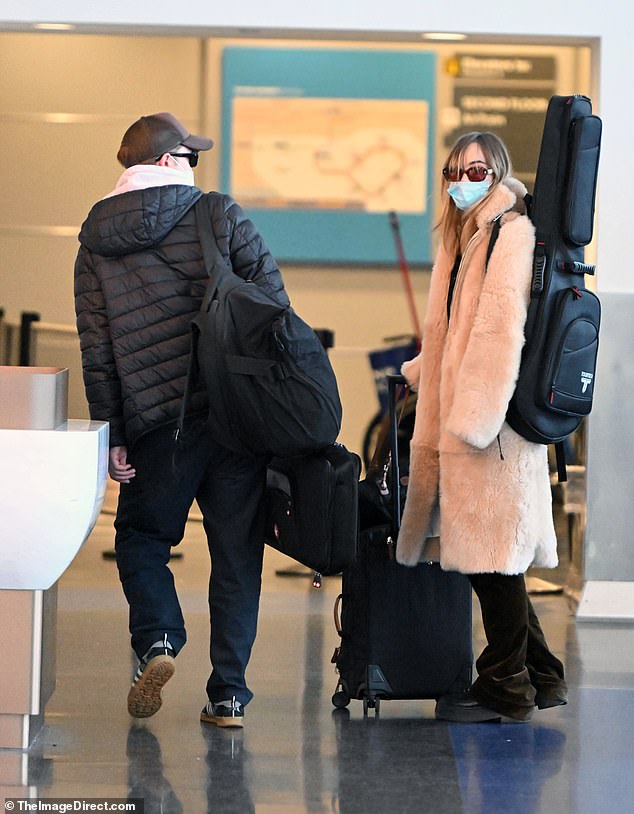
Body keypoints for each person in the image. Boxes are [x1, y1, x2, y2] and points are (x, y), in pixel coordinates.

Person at [74, 112, 289, 728]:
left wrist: (112, 430)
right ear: (168, 161)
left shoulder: (94, 239)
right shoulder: (218, 214)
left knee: (142, 540)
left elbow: (97, 345)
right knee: (235, 554)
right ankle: (227, 694)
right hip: (236, 420)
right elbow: (276, 308)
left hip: (156, 426)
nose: (197, 165)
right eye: (190, 155)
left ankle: (160, 638)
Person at [396, 132, 567, 723]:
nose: (462, 179)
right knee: (493, 560)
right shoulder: (466, 238)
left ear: (499, 172)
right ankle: (542, 676)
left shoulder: (510, 235)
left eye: (476, 169)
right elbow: (448, 331)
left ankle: (505, 688)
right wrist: (420, 375)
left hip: (488, 428)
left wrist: (473, 420)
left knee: (492, 562)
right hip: (465, 418)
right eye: (454, 170)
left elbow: (499, 333)